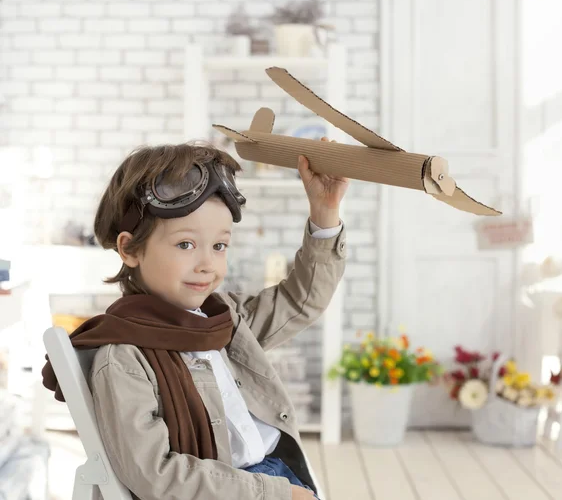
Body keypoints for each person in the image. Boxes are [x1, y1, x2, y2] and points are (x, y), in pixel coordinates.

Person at [42, 140, 348, 500]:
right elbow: (156, 473)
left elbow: (301, 300)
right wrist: (274, 494)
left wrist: (324, 213)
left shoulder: (224, 322)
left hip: (278, 475)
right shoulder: (124, 360)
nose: (207, 264)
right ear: (130, 249)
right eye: (185, 244)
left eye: (219, 246)